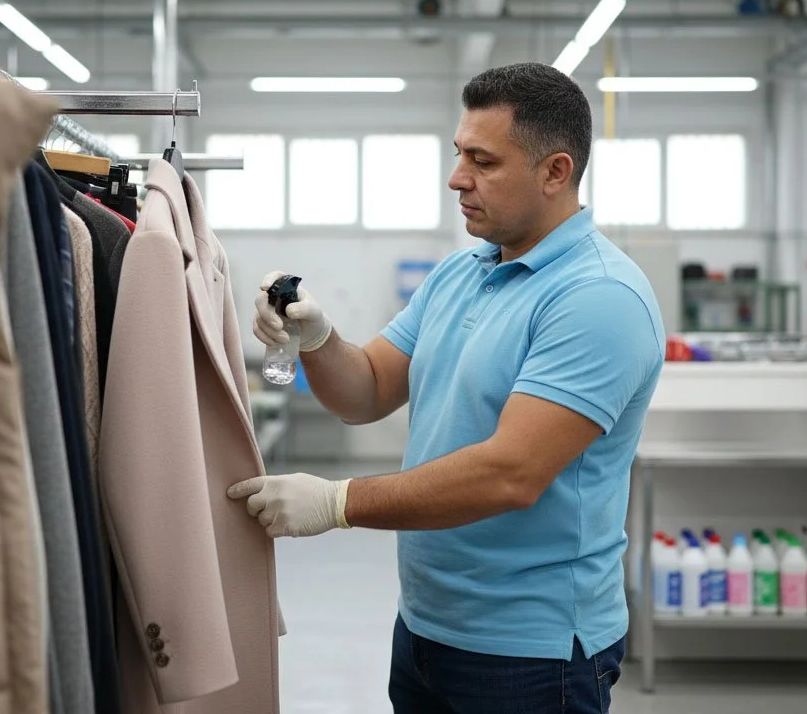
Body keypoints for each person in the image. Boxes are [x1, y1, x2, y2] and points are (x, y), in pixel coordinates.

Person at [227, 62, 665, 714]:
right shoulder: (463, 271)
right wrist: (317, 340)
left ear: (556, 171)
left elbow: (510, 474)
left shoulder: (597, 296)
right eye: (460, 154)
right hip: (429, 629)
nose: (458, 177)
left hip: (532, 653)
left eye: (484, 162)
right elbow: (368, 390)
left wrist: (340, 503)